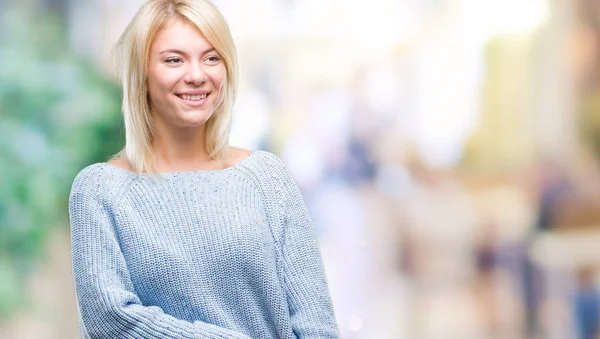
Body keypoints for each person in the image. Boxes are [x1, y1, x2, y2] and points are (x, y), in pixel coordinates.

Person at [67, 0, 340, 338]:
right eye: (174, 60)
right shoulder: (100, 190)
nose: (197, 75)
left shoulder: (266, 178)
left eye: (212, 58)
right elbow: (110, 322)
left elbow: (316, 324)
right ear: (142, 73)